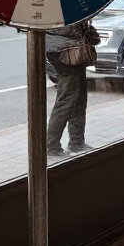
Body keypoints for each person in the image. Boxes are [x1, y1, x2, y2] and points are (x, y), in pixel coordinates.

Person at [46, 19, 100, 158]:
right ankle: (52, 146)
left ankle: (77, 141)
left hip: (71, 48)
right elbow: (67, 28)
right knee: (67, 97)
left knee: (79, 96)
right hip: (65, 50)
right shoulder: (63, 6)